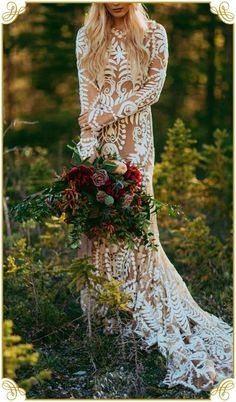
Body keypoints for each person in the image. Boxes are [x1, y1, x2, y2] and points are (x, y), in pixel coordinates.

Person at [75, 2, 233, 393]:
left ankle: (143, 310)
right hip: (101, 141)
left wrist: (106, 116)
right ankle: (112, 317)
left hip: (135, 144)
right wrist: (87, 141)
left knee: (135, 224)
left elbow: (152, 90)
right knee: (101, 226)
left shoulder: (154, 33)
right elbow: (88, 93)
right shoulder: (85, 36)